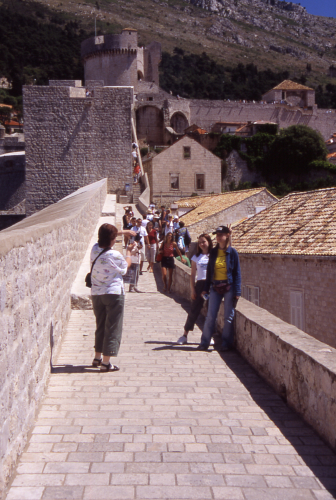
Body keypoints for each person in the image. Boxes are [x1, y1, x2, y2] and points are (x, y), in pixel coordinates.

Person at [90, 223, 132, 372]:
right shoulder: (115, 255)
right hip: (113, 294)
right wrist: (129, 253)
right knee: (113, 326)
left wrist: (122, 231)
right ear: (112, 239)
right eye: (114, 237)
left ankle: (97, 357)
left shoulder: (94, 249)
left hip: (96, 293)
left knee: (100, 324)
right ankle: (106, 363)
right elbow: (125, 269)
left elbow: (105, 235)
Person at [198, 226, 241, 352]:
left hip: (229, 286)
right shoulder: (214, 252)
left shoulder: (233, 253)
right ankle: (204, 342)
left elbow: (237, 273)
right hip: (215, 286)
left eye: (221, 234)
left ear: (227, 235)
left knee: (228, 316)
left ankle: (226, 344)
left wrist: (237, 292)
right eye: (217, 235)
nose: (218, 237)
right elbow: (209, 271)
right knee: (211, 316)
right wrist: (205, 289)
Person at [177, 234, 213, 344]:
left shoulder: (213, 255)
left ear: (209, 242)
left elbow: (226, 251)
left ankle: (208, 335)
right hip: (200, 284)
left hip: (211, 285)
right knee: (194, 310)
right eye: (200, 242)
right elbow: (192, 275)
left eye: (204, 241)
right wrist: (193, 289)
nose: (202, 244)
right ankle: (185, 334)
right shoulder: (196, 257)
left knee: (210, 311)